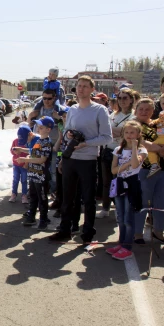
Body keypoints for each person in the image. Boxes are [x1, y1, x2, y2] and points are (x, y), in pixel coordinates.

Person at [49, 75, 113, 243]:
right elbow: (67, 134)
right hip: (71, 158)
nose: (81, 89)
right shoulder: (73, 109)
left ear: (92, 90)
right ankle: (65, 230)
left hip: (89, 160)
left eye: (85, 86)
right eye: (79, 86)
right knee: (68, 198)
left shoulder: (100, 110)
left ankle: (88, 233)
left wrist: (86, 143)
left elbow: (107, 138)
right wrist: (64, 156)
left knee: (88, 199)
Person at [132, 98, 164, 245]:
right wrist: (161, 148)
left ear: (153, 111)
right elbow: (141, 143)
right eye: (141, 109)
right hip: (142, 169)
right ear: (136, 110)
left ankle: (158, 231)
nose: (144, 112)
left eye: (148, 109)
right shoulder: (132, 125)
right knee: (142, 202)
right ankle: (137, 233)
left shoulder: (160, 124)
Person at [106, 121, 147, 261]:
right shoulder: (118, 149)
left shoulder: (142, 150)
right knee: (121, 216)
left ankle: (127, 247)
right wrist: (126, 165)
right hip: (119, 184)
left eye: (132, 133)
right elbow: (113, 170)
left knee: (128, 218)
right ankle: (121, 243)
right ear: (123, 134)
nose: (129, 135)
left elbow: (136, 164)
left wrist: (134, 148)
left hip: (132, 184)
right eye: (127, 133)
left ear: (138, 134)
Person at [97, 88, 137, 218]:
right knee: (106, 182)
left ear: (131, 100)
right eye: (119, 98)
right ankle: (105, 208)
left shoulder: (134, 116)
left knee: (121, 182)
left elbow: (126, 132)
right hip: (108, 150)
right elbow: (104, 131)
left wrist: (116, 131)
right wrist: (117, 131)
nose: (122, 101)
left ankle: (121, 209)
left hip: (124, 153)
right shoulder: (113, 115)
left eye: (125, 98)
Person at [19, 117, 54, 230]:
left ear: (48, 129)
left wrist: (25, 160)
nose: (38, 129)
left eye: (41, 127)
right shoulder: (39, 141)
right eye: (38, 126)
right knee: (33, 196)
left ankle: (43, 219)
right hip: (34, 174)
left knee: (42, 198)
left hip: (41, 176)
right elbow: (34, 153)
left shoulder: (47, 143)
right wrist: (22, 151)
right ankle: (32, 216)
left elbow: (41, 159)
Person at [9, 125, 31, 203]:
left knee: (24, 180)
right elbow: (11, 150)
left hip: (24, 165)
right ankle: (14, 194)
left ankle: (24, 195)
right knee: (15, 179)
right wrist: (14, 151)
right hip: (16, 164)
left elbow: (30, 152)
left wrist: (26, 162)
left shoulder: (27, 142)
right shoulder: (15, 141)